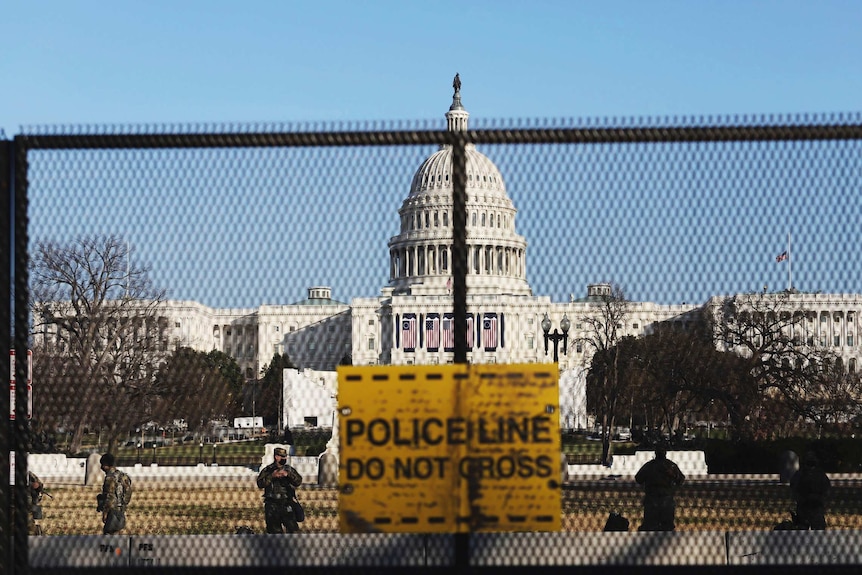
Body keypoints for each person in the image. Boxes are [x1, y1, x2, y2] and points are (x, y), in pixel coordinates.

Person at [635, 445, 685, 531]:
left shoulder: (649, 466)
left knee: (650, 526)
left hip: (652, 498)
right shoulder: (670, 465)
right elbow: (680, 480)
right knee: (667, 526)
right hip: (666, 498)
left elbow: (638, 478)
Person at [256, 447, 303, 533]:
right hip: (272, 504)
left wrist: (288, 475)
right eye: (282, 457)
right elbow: (260, 484)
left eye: (285, 457)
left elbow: (298, 481)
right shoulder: (268, 470)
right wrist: (271, 476)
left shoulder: (288, 469)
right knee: (274, 532)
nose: (284, 459)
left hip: (286, 502)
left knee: (293, 530)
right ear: (276, 457)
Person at [790, 450, 831, 530]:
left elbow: (793, 489)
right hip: (808, 505)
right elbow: (827, 490)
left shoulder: (801, 474)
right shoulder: (819, 474)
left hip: (813, 505)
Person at [98, 453, 132, 534]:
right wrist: (123, 504)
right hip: (121, 510)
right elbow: (128, 491)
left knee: (108, 535)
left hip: (111, 511)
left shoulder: (110, 478)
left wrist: (105, 512)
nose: (101, 467)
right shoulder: (123, 476)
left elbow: (109, 496)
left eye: (102, 465)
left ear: (106, 465)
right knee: (118, 533)